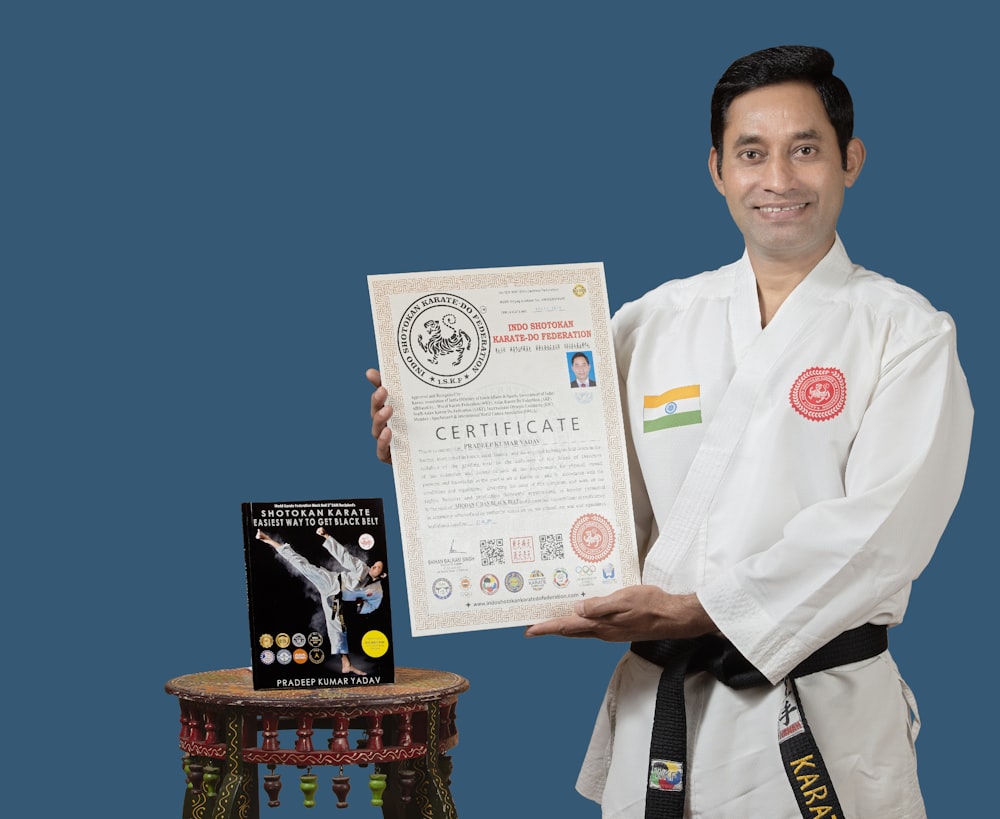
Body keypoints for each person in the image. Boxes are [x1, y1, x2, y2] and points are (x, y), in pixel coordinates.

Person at [367, 45, 973, 818]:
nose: (778, 179)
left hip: (817, 709)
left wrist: (703, 611)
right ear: (718, 169)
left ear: (850, 160)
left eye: (806, 150)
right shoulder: (648, 323)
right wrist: (435, 440)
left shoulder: (905, 332)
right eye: (751, 153)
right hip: (663, 705)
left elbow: (882, 533)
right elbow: (572, 480)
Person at [256, 527, 386, 675]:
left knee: (337, 627)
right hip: (330, 581)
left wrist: (360, 606)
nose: (373, 566)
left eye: (377, 567)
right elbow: (344, 556)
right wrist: (327, 536)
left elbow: (371, 606)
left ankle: (346, 664)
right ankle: (268, 539)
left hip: (335, 598)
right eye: (375, 564)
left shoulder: (377, 591)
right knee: (302, 565)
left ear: (382, 575)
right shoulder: (362, 568)